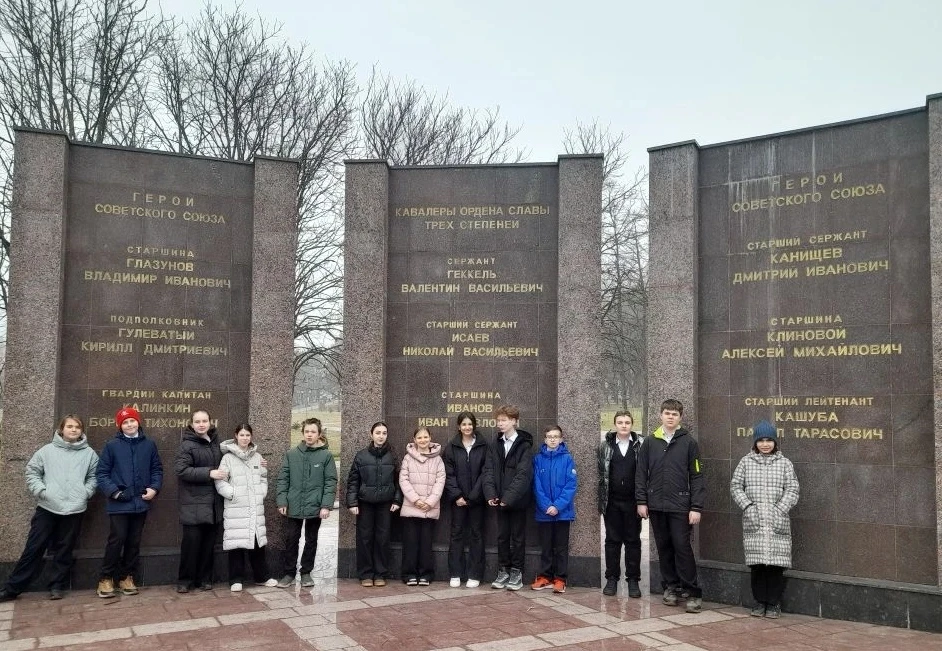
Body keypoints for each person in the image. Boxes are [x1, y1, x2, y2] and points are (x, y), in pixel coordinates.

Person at [0, 416, 98, 602]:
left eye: (77, 427)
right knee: (34, 548)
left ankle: (57, 586)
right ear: (61, 429)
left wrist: (85, 492)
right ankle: (13, 588)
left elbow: (94, 477)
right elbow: (32, 472)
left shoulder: (89, 454)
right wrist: (41, 491)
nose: (74, 430)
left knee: (65, 549)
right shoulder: (47, 451)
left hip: (75, 509)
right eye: (69, 426)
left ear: (81, 431)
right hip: (48, 508)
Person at [636, 399, 705, 613]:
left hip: (681, 506)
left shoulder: (689, 443)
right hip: (656, 505)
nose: (670, 417)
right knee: (664, 548)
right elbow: (641, 473)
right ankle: (670, 587)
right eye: (667, 413)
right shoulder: (650, 442)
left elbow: (697, 476)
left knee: (682, 548)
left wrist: (696, 507)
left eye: (674, 414)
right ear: (661, 415)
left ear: (680, 417)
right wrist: (641, 501)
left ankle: (692, 592)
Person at [730, 420, 800, 619]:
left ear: (775, 442)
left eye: (769, 440)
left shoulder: (785, 463)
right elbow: (736, 486)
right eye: (761, 440)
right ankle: (760, 602)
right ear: (755, 442)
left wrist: (780, 509)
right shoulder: (746, 462)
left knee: (776, 566)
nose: (765, 444)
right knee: (758, 565)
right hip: (755, 521)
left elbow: (793, 489)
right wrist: (748, 506)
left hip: (777, 522)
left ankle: (774, 603)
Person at [96, 406, 163, 598]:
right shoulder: (112, 446)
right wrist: (115, 493)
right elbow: (102, 473)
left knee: (134, 541)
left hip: (140, 503)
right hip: (119, 503)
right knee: (117, 540)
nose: (129, 424)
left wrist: (154, 488)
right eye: (125, 422)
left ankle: (126, 577)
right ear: (120, 426)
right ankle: (105, 578)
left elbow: (157, 469)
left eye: (132, 420)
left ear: (138, 422)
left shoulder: (149, 445)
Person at [215, 424, 279, 592]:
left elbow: (263, 478)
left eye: (247, 435)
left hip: (255, 507)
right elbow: (220, 481)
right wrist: (232, 494)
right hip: (236, 508)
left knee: (257, 543)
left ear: (251, 437)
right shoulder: (227, 458)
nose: (245, 438)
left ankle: (261, 577)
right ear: (236, 435)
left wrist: (261, 493)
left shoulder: (257, 457)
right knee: (236, 544)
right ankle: (235, 579)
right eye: (242, 435)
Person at [275, 417, 337, 588]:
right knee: (291, 539)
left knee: (311, 540)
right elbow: (283, 479)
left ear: (319, 434)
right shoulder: (291, 454)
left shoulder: (326, 456)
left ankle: (306, 573)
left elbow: (330, 481)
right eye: (307, 431)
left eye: (313, 432)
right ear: (302, 433)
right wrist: (282, 501)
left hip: (315, 506)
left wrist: (326, 505)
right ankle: (289, 573)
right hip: (293, 505)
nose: (310, 435)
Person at [483, 404, 533, 591]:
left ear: (514, 421)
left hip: (517, 501)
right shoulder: (495, 444)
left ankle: (516, 572)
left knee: (518, 538)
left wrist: (508, 497)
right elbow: (488, 470)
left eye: (504, 420)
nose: (500, 423)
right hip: (499, 500)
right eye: (498, 420)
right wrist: (491, 494)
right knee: (502, 537)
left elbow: (523, 474)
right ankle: (503, 570)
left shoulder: (524, 445)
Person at [175, 409, 225, 593]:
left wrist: (258, 462)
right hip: (193, 503)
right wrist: (209, 473)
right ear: (191, 424)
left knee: (208, 545)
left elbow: (236, 454)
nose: (201, 424)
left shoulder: (216, 444)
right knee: (191, 544)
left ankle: (204, 579)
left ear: (211, 422)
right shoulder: (186, 445)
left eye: (204, 421)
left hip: (213, 503)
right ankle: (185, 580)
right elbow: (181, 470)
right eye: (197, 421)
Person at [346, 422, 402, 587]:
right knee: (364, 539)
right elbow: (353, 481)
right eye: (378, 433)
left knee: (382, 539)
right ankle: (365, 574)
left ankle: (380, 573)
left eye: (384, 433)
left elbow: (398, 481)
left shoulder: (392, 456)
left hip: (385, 504)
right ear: (371, 435)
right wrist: (352, 502)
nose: (381, 436)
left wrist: (397, 500)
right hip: (365, 504)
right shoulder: (361, 456)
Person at [598, 410, 643, 598]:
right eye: (620, 422)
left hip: (633, 502)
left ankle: (633, 580)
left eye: (627, 422)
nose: (624, 425)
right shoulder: (605, 446)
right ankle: (611, 579)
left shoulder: (640, 445)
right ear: (615, 424)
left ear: (632, 424)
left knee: (633, 541)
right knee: (612, 540)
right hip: (612, 502)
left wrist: (642, 501)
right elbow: (601, 474)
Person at [443, 411, 488, 588]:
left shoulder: (484, 445)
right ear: (459, 426)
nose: (467, 427)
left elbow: (486, 472)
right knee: (456, 534)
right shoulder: (451, 447)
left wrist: (474, 496)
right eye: (464, 424)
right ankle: (455, 573)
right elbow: (448, 474)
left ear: (474, 425)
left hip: (477, 500)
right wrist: (457, 495)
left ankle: (475, 574)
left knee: (477, 535)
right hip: (458, 500)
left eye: (470, 424)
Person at [531, 425, 577, 594]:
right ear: (545, 439)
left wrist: (557, 506)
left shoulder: (567, 459)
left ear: (561, 439)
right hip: (544, 512)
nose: (552, 439)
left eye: (556, 436)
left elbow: (571, 485)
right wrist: (546, 505)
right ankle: (545, 576)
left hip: (562, 513)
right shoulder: (538, 459)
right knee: (546, 546)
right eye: (549, 436)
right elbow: (536, 485)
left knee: (561, 547)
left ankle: (560, 579)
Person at [399, 426, 446, 586]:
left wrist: (430, 502)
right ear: (414, 440)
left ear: (430, 438)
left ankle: (426, 574)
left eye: (425, 437)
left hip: (428, 508)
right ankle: (409, 574)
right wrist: (416, 500)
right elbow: (403, 480)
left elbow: (440, 481)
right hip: (411, 507)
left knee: (426, 543)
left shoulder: (438, 460)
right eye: (419, 437)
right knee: (410, 543)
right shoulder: (407, 458)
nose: (423, 440)